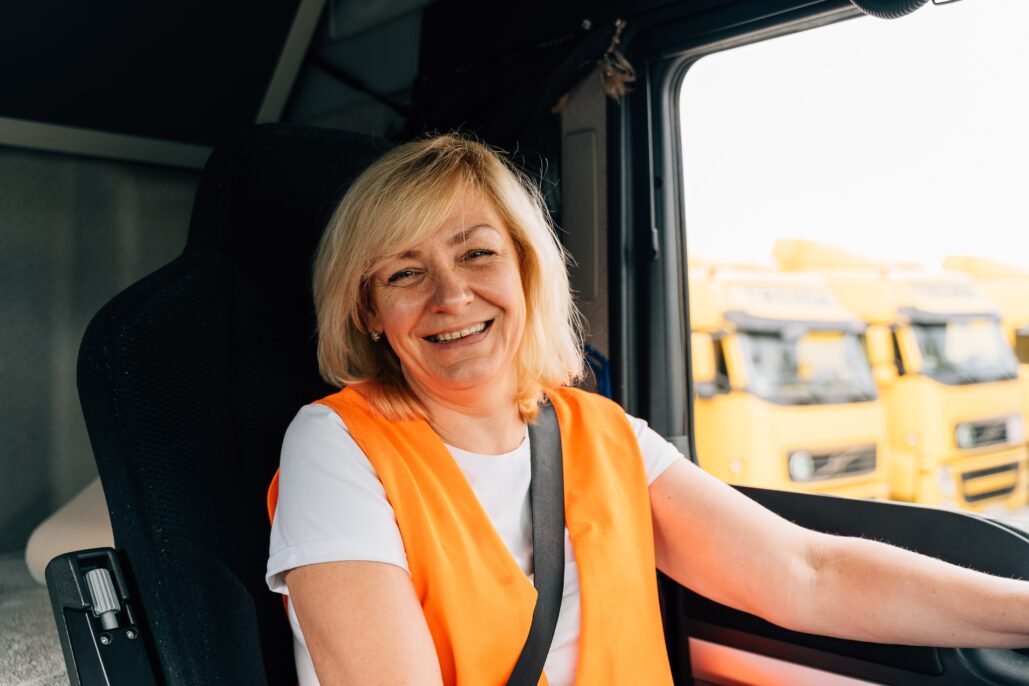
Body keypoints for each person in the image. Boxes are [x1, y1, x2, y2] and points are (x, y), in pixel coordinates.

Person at [265, 134, 1029, 686]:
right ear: (367, 311)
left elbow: (807, 572)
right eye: (405, 272)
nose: (451, 296)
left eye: (476, 253)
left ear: (527, 272)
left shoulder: (602, 436)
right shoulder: (335, 445)